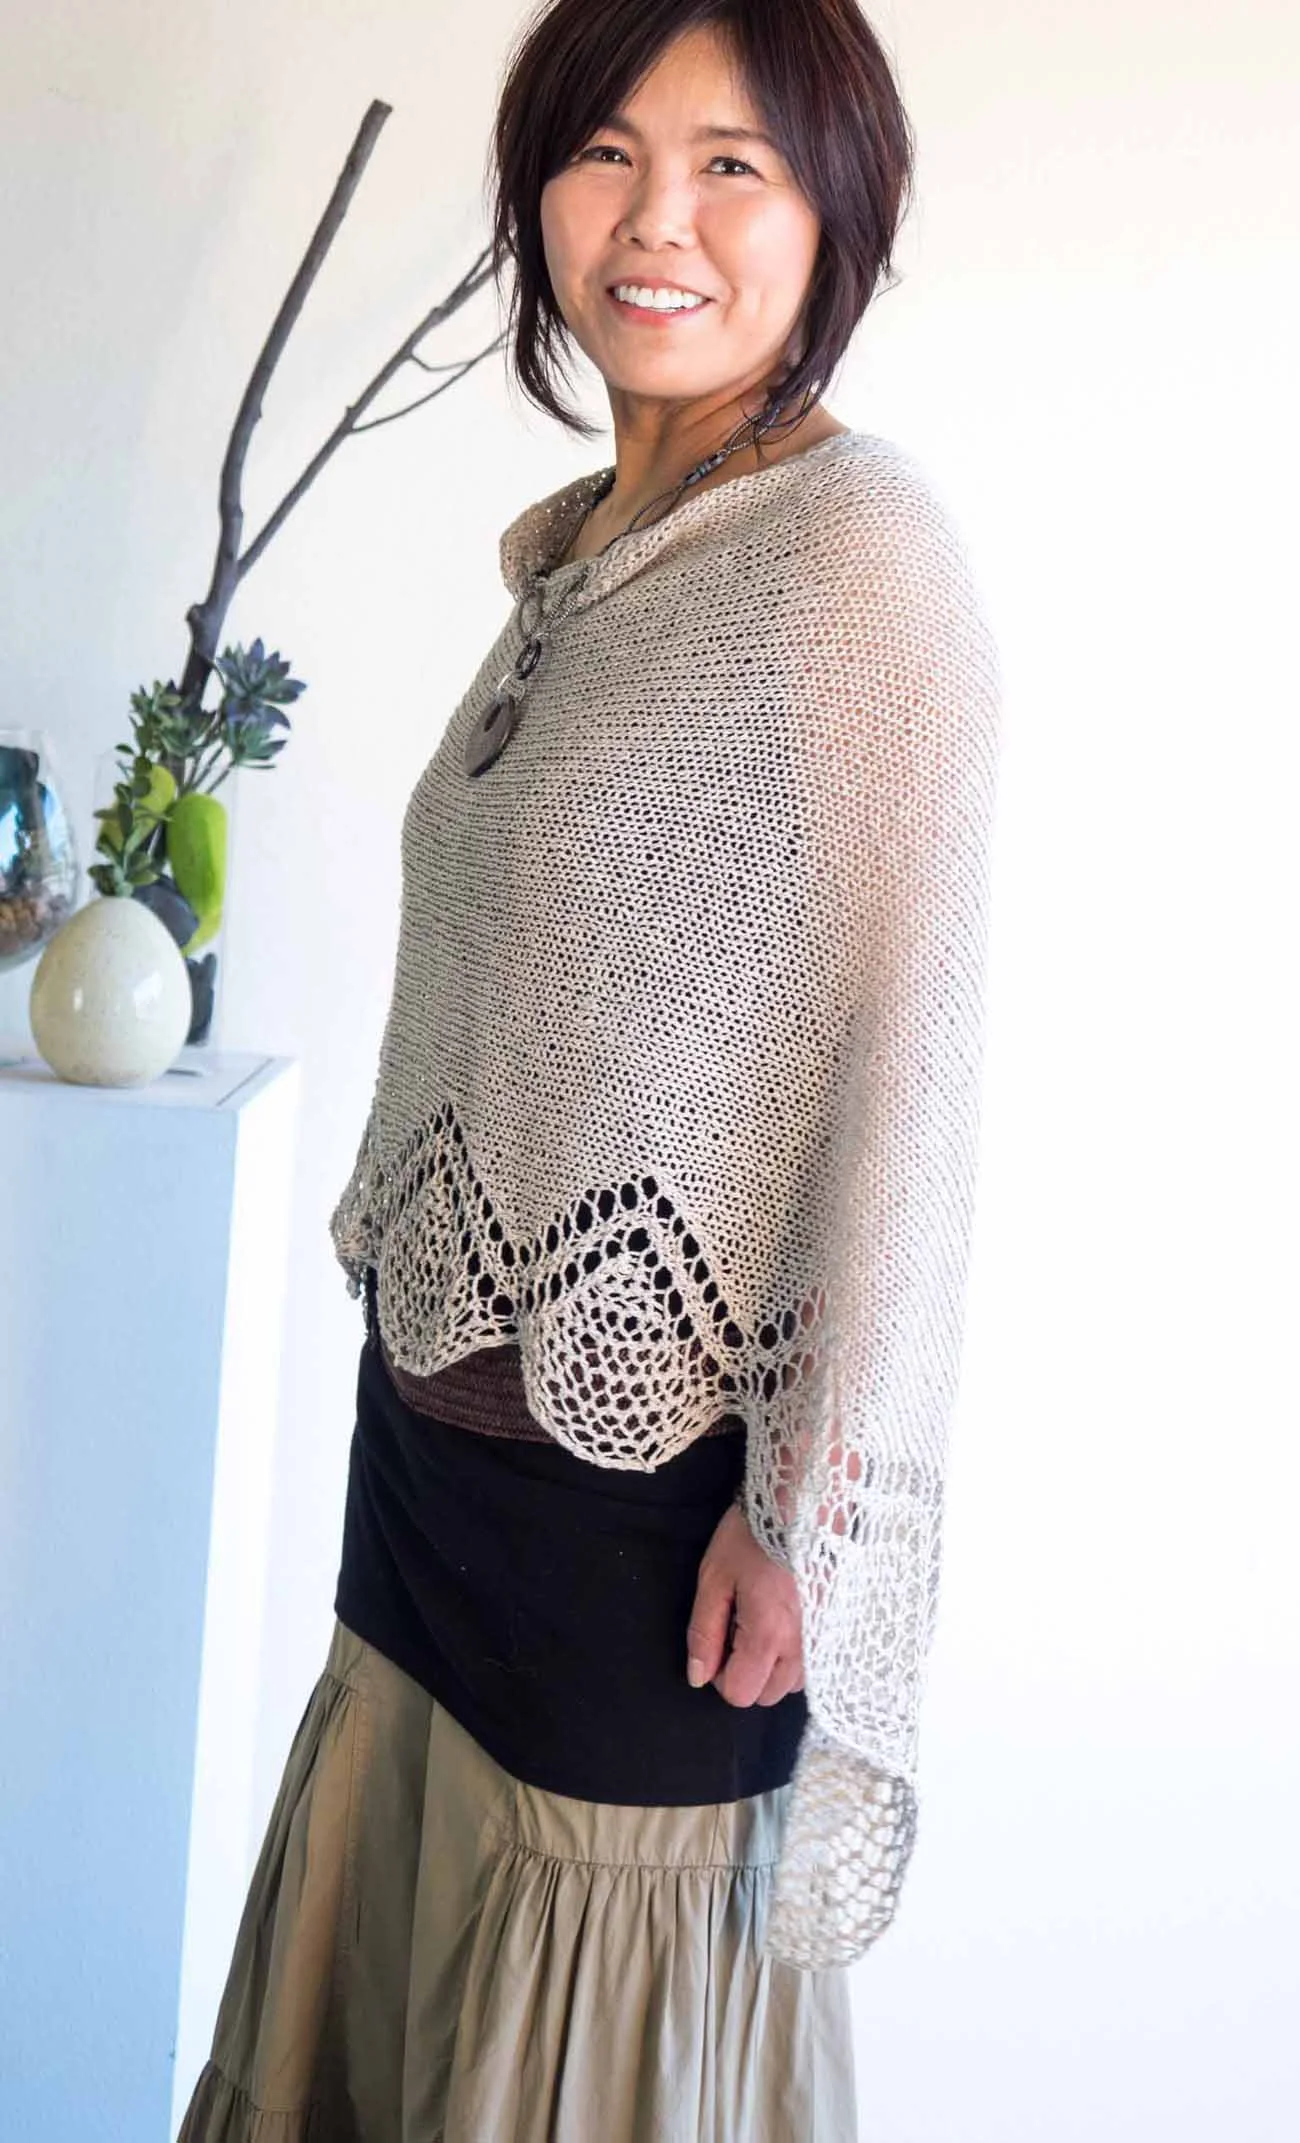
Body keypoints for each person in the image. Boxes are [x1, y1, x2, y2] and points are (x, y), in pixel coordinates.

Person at [177, 2, 1002, 2138]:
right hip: (423, 1487)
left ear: (835, 214)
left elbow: (907, 1079)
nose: (656, 221)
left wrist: (808, 1514)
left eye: (732, 164)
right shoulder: (576, 555)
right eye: (604, 152)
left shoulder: (855, 560)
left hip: (645, 1540)